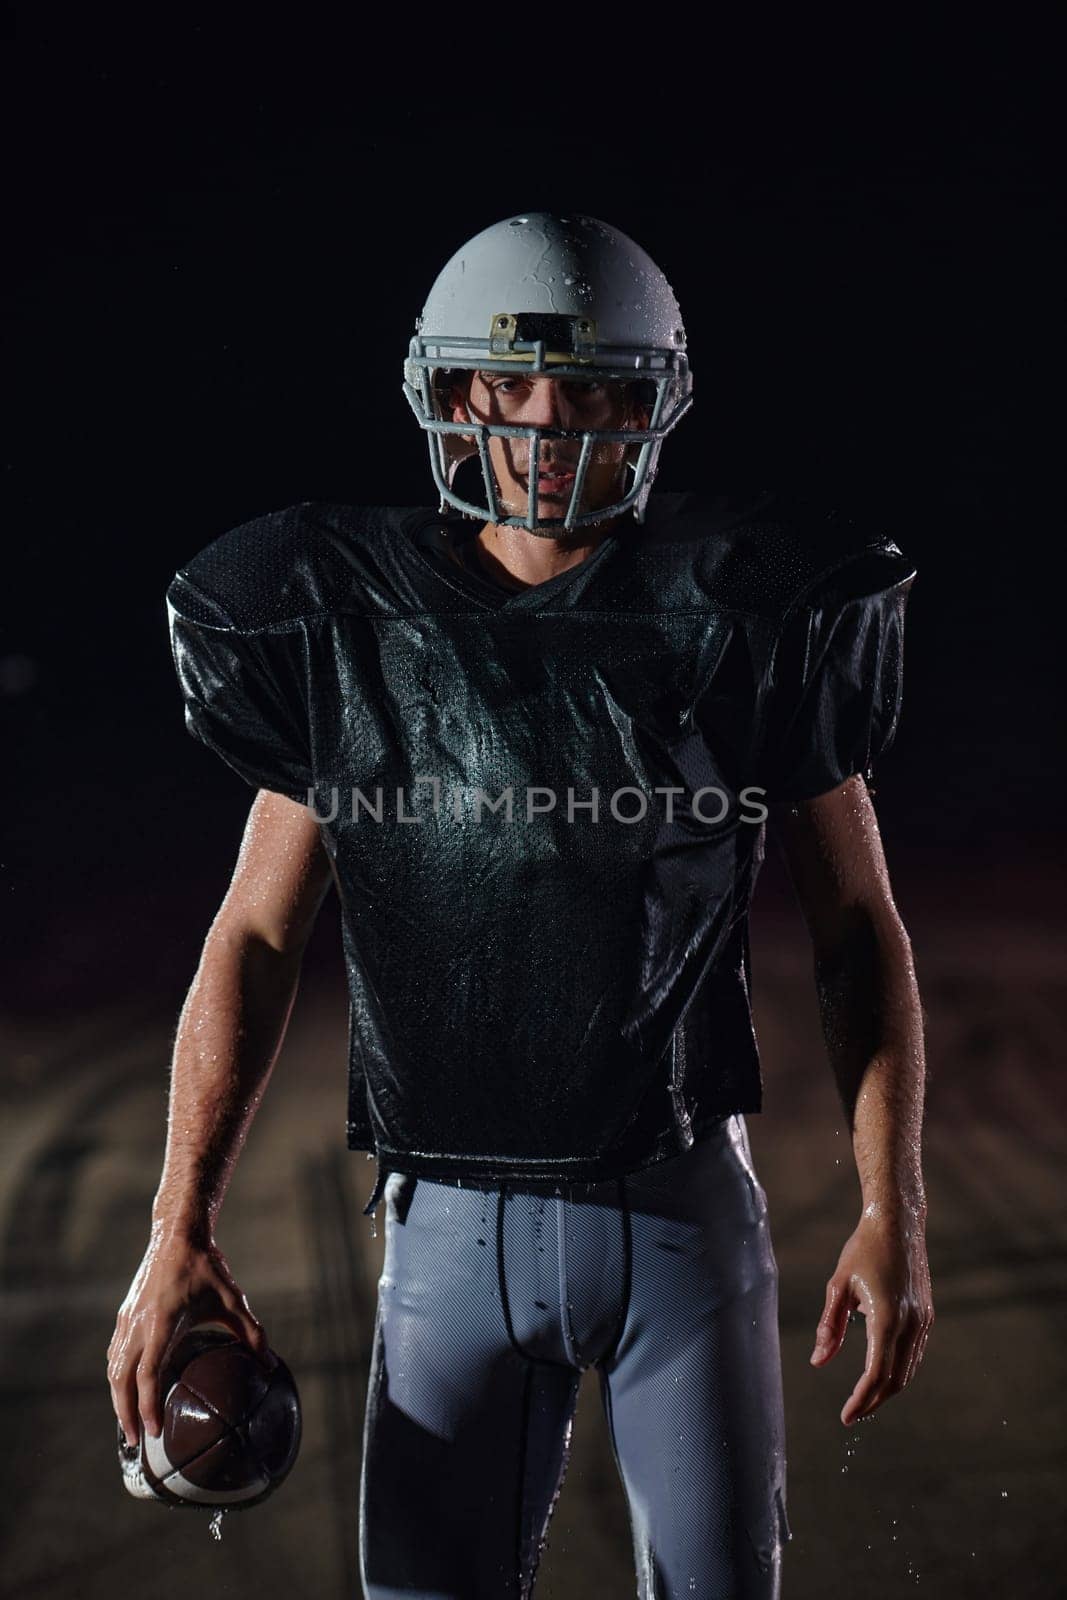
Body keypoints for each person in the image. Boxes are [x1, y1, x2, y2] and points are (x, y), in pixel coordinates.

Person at [107, 212, 934, 1598]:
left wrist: (891, 1202)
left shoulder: (741, 613)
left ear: (649, 401)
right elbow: (254, 933)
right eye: (513, 386)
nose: (549, 426)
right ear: (452, 393)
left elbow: (858, 927)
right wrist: (174, 1221)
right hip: (446, 1228)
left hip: (678, 1211)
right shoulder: (353, 622)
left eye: (593, 389)